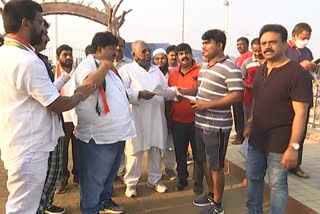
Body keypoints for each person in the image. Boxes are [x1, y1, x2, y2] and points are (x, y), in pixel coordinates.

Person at [0, 1, 94, 213]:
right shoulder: (26, 60)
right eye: (40, 22)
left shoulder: (7, 54)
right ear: (26, 23)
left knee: (24, 204)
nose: (43, 28)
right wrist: (81, 94)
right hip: (30, 147)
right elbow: (56, 104)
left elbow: (33, 95)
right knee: (23, 207)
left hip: (19, 142)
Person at [244, 24, 312, 214]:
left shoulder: (296, 74)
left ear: (284, 44)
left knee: (278, 186)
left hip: (280, 144)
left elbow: (301, 114)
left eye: (273, 42)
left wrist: (294, 148)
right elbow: (257, 98)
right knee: (254, 179)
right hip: (257, 140)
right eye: (264, 43)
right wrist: (250, 122)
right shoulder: (262, 69)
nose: (267, 47)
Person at [180, 29, 243, 214]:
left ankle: (218, 205)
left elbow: (237, 96)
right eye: (202, 43)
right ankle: (211, 193)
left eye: (207, 43)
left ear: (220, 45)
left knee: (216, 166)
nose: (203, 47)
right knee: (204, 162)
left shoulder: (230, 67)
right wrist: (182, 93)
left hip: (217, 127)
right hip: (200, 124)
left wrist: (208, 105)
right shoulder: (205, 67)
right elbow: (199, 90)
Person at [71, 32, 135, 214]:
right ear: (99, 49)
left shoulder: (110, 68)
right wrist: (105, 67)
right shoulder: (89, 65)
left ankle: (104, 201)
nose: (116, 52)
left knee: (108, 177)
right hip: (98, 138)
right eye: (112, 48)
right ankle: (90, 209)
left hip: (116, 134)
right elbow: (88, 85)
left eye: (118, 48)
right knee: (93, 180)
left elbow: (119, 95)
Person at [119, 40, 175, 198]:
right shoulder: (127, 69)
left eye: (148, 51)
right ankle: (131, 183)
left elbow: (164, 89)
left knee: (156, 148)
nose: (147, 54)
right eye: (143, 51)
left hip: (157, 115)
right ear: (134, 54)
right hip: (136, 116)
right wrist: (139, 94)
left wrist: (173, 92)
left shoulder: (157, 71)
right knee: (134, 150)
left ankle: (155, 179)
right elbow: (122, 92)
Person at [33, 20, 66, 214]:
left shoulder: (42, 60)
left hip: (52, 123)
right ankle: (38, 206)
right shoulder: (26, 61)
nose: (47, 38)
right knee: (38, 176)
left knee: (54, 171)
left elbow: (46, 91)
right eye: (44, 33)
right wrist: (78, 96)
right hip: (36, 129)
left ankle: (46, 203)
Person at [167, 43, 204, 194]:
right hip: (178, 122)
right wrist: (169, 117)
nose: (184, 56)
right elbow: (169, 98)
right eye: (180, 54)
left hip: (197, 121)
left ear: (191, 54)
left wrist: (186, 92)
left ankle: (198, 181)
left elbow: (200, 91)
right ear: (177, 56)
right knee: (180, 153)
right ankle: (182, 178)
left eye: (186, 53)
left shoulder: (201, 71)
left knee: (198, 154)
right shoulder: (173, 75)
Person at [285, 22, 316, 179]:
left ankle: (296, 164)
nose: (305, 41)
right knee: (284, 131)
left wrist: (313, 69)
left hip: (304, 98)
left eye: (308, 38)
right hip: (287, 99)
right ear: (294, 35)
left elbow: (310, 75)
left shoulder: (308, 52)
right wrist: (299, 67)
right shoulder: (284, 50)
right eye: (303, 38)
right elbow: (280, 72)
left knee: (300, 134)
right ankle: (281, 162)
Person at [54, 44, 79, 194]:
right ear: (58, 58)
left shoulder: (79, 73)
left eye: (70, 54)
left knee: (78, 150)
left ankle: (78, 177)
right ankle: (61, 180)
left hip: (77, 118)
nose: (69, 57)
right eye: (65, 55)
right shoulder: (53, 74)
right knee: (61, 151)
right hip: (61, 118)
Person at [152, 48, 178, 181]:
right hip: (153, 113)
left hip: (170, 112)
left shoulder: (172, 75)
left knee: (170, 143)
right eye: (156, 58)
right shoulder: (150, 75)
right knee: (154, 144)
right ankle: (154, 173)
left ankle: (169, 168)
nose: (160, 61)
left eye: (162, 58)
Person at [231, 37, 252, 145]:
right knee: (237, 114)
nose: (239, 46)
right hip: (236, 90)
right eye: (237, 44)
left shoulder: (250, 56)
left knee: (243, 115)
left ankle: (242, 136)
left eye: (241, 44)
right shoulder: (237, 59)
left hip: (245, 92)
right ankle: (238, 132)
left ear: (247, 45)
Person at [241, 38, 265, 122]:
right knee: (248, 122)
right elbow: (240, 79)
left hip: (265, 98)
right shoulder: (247, 62)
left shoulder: (269, 61)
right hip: (249, 98)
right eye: (255, 51)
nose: (258, 53)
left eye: (260, 50)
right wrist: (248, 85)